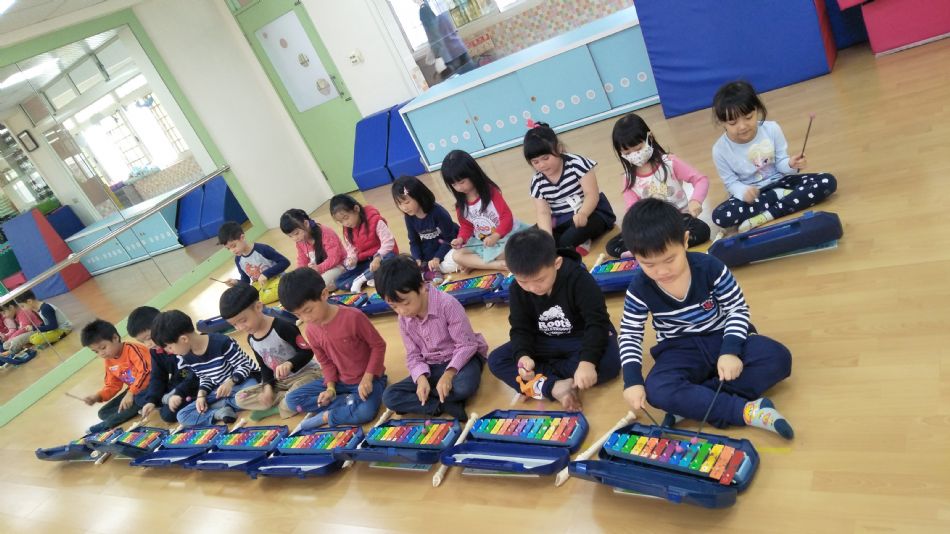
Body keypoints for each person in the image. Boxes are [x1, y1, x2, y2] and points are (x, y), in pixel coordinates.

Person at [618, 198, 794, 439]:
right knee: (657, 389)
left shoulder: (711, 267)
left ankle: (694, 402)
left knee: (778, 358)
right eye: (648, 264)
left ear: (685, 241)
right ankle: (745, 411)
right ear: (635, 257)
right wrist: (632, 381)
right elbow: (630, 335)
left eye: (670, 259)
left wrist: (730, 351)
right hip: (679, 350)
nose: (662, 271)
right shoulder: (639, 288)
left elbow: (737, 309)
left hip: (721, 336)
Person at [488, 228, 620, 411]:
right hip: (544, 341)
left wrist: (587, 362)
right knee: (496, 360)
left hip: (579, 338)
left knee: (608, 365)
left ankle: (542, 383)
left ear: (557, 263)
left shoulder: (579, 279)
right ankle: (555, 387)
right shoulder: (517, 289)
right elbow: (520, 328)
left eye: (540, 279)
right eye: (523, 282)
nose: (533, 288)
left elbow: (597, 323)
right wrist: (523, 355)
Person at [710, 81, 837, 234]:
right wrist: (744, 192)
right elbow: (731, 183)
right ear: (722, 122)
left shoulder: (772, 129)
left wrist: (791, 164)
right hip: (754, 196)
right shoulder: (719, 150)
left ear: (757, 110)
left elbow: (781, 163)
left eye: (748, 117)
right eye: (733, 122)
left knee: (827, 181)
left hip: (781, 183)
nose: (742, 126)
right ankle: (781, 198)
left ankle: (767, 215)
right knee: (720, 216)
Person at [376, 255, 486, 420]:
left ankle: (430, 400)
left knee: (464, 386)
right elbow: (413, 355)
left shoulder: (447, 304)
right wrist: (421, 379)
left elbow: (466, 345)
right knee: (390, 396)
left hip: (461, 359)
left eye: (405, 303)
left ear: (421, 287)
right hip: (431, 366)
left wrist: (448, 375)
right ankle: (441, 404)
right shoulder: (403, 318)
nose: (401, 311)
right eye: (393, 306)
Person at [280, 268, 388, 429]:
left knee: (365, 412)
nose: (306, 318)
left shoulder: (353, 317)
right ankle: (348, 402)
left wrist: (368, 377)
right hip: (339, 382)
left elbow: (378, 346)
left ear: (324, 294)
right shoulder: (310, 330)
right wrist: (330, 389)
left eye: (308, 310)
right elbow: (326, 363)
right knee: (291, 400)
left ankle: (329, 415)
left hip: (369, 379)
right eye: (298, 315)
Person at [606, 113, 710, 257]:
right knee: (612, 246)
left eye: (638, 149)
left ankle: (650, 249)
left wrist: (696, 200)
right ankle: (666, 245)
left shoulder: (670, 162)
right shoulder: (628, 178)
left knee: (702, 230)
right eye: (627, 153)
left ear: (650, 138)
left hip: (678, 219)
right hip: (651, 227)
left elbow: (701, 180)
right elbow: (632, 210)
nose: (634, 155)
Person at [219, 283, 322, 420]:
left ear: (258, 307)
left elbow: (307, 352)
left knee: (291, 398)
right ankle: (284, 401)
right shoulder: (251, 339)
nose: (240, 327)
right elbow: (264, 366)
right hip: (281, 382)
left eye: (243, 320)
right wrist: (267, 388)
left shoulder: (282, 327)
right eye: (234, 325)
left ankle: (280, 405)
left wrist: (290, 364)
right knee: (240, 398)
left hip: (306, 374)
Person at [150, 309, 260, 426]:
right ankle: (218, 412)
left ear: (184, 339)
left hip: (244, 382)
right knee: (182, 415)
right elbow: (205, 377)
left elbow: (244, 366)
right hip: (221, 392)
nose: (170, 352)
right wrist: (201, 395)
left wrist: (230, 382)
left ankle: (226, 405)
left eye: (169, 347)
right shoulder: (186, 356)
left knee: (252, 394)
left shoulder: (221, 342)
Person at [525, 121, 615, 255]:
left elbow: (591, 194)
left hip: (590, 212)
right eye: (535, 162)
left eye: (546, 158)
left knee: (568, 238)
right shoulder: (537, 181)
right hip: (561, 220)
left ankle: (573, 242)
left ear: (559, 148)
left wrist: (583, 214)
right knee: (529, 238)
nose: (541, 165)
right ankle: (571, 243)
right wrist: (547, 239)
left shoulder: (577, 164)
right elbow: (543, 213)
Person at [441, 149, 527, 271]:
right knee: (457, 256)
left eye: (462, 182)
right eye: (454, 185)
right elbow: (466, 226)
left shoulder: (491, 192)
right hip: (483, 242)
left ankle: (477, 263)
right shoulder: (461, 205)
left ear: (473, 174)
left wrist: (496, 236)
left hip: (505, 237)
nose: (459, 187)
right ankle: (496, 265)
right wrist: (460, 239)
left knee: (506, 252)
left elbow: (506, 217)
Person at [127, 306, 198, 423]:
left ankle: (177, 400)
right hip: (177, 381)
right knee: (140, 397)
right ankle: (165, 399)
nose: (147, 344)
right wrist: (152, 401)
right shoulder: (155, 351)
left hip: (192, 382)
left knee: (167, 414)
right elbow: (158, 377)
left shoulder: (179, 343)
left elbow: (195, 374)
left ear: (160, 326)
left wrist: (178, 393)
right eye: (142, 341)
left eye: (149, 338)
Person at [80, 319, 152, 432]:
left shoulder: (133, 349)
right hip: (134, 390)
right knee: (103, 413)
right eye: (96, 352)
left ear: (115, 338)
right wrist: (97, 396)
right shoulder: (109, 360)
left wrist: (131, 393)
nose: (101, 353)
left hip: (151, 385)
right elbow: (112, 385)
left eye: (103, 348)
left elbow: (146, 372)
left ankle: (107, 424)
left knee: (136, 400)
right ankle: (134, 409)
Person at [391, 175, 460, 283]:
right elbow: (414, 241)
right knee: (409, 265)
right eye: (399, 204)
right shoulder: (409, 217)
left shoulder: (438, 212)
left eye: (407, 202)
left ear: (419, 196)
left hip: (447, 245)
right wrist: (417, 259)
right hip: (429, 249)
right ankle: (431, 270)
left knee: (456, 258)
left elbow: (449, 238)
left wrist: (437, 257)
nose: (404, 207)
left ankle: (430, 271)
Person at [330, 194, 399, 293]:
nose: (345, 223)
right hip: (366, 261)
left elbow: (388, 242)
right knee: (339, 282)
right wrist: (352, 259)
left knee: (391, 259)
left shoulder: (375, 220)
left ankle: (361, 279)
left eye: (346, 218)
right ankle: (372, 276)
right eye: (341, 221)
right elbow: (351, 249)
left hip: (383, 257)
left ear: (356, 209)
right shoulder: (347, 229)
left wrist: (378, 258)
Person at [218, 221, 290, 303]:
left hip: (277, 280)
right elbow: (246, 280)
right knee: (245, 298)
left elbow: (285, 262)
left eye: (233, 246)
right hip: (262, 286)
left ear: (242, 237)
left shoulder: (262, 249)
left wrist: (266, 274)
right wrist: (236, 282)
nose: (232, 250)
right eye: (228, 249)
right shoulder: (238, 260)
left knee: (281, 289)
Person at [280, 208, 346, 291]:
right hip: (319, 270)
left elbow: (334, 258)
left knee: (318, 285)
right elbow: (302, 260)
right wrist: (299, 274)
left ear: (306, 223)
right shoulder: (300, 241)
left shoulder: (326, 233)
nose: (295, 238)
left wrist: (318, 268)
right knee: (300, 285)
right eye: (290, 236)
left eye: (296, 233)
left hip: (339, 266)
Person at [418, 0, 475, 78]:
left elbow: (435, 39)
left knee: (461, 82)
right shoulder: (440, 8)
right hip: (459, 48)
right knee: (474, 77)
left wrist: (437, 57)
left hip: (449, 57)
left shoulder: (426, 13)